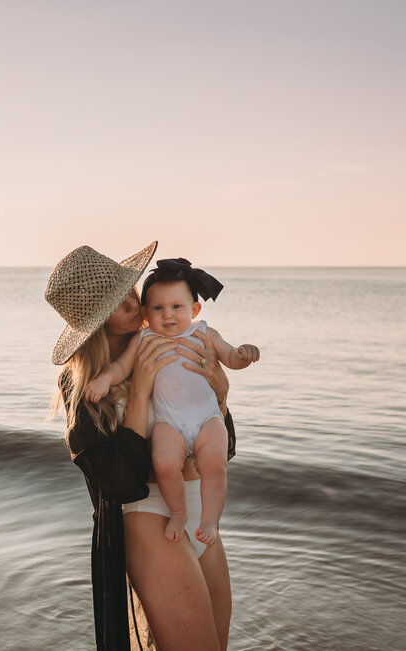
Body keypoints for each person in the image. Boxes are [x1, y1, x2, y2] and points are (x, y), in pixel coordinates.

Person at [46, 242, 236, 651]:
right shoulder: (84, 387)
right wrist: (140, 390)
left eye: (130, 291)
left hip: (198, 507)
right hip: (146, 513)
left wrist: (220, 394)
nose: (135, 304)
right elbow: (119, 483)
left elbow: (223, 446)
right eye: (118, 303)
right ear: (95, 323)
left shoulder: (170, 341)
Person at [85, 258, 260, 548]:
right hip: (169, 423)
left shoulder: (204, 332)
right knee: (164, 462)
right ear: (147, 313)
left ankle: (210, 521)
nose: (167, 315)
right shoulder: (143, 338)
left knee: (215, 463)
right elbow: (121, 368)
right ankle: (178, 513)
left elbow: (229, 357)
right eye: (158, 308)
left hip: (206, 417)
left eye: (176, 307)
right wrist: (104, 379)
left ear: (195, 310)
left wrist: (243, 355)